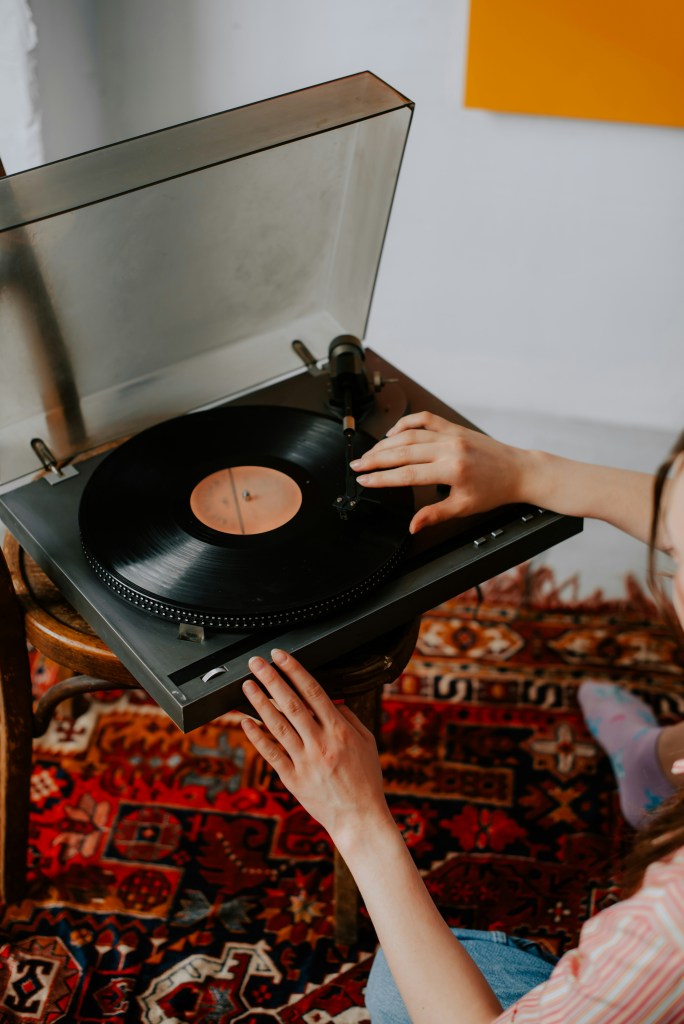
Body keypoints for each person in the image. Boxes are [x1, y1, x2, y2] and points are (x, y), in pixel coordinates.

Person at [239, 411, 684, 1023]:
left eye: (678, 559)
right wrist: (531, 470)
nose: (671, 581)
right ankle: (654, 770)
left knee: (400, 983)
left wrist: (359, 822)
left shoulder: (668, 928)